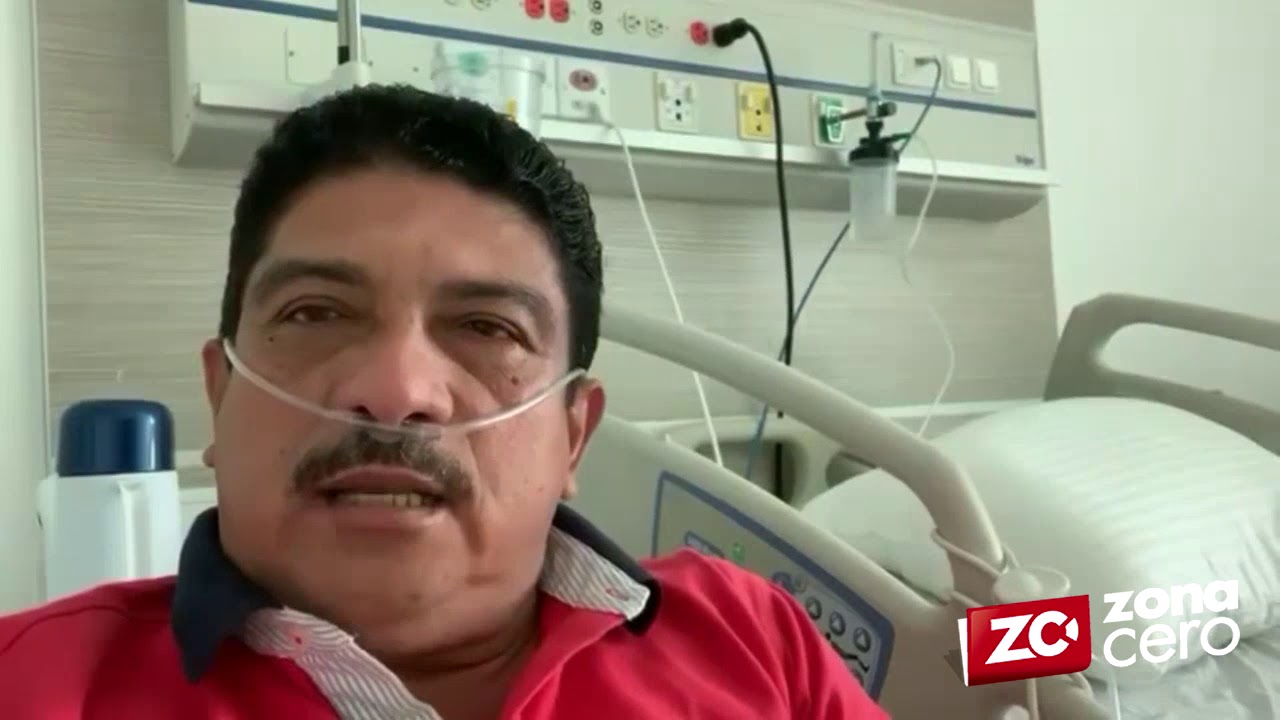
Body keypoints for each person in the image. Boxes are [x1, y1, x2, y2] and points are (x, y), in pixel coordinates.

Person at [0, 84, 890, 719]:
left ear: (574, 436)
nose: (395, 392)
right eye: (315, 312)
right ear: (219, 394)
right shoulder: (32, 684)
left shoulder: (754, 642)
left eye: (487, 327)